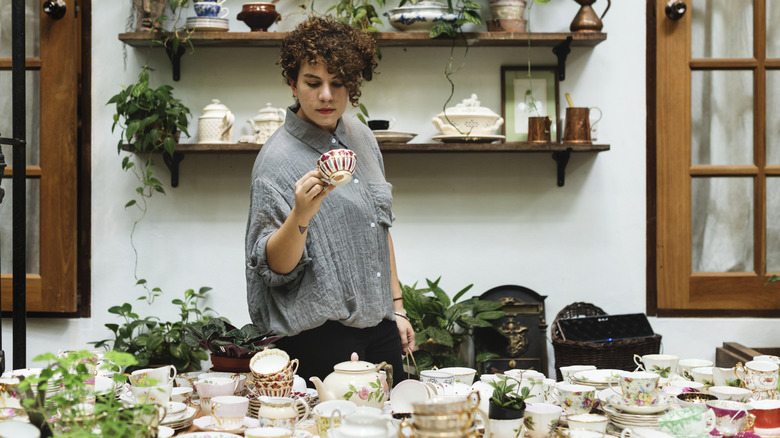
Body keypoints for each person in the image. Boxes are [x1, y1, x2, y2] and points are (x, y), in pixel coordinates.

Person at [245, 16, 415, 387]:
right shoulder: (275, 163)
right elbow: (275, 267)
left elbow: (378, 227)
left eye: (338, 83)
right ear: (292, 82)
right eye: (313, 82)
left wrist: (397, 308)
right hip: (321, 336)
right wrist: (302, 214)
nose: (326, 95)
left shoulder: (362, 138)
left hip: (381, 326)